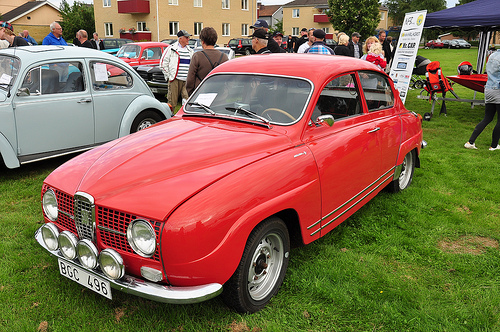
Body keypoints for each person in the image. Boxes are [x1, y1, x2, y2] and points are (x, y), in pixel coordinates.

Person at [464, 49, 500, 151]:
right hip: (497, 89)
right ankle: (494, 146)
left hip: (488, 89)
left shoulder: (492, 55)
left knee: (487, 118)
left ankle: (470, 142)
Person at [186, 27, 229, 95]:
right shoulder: (224, 57)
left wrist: (191, 94)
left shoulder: (197, 56)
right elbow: (227, 78)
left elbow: (190, 80)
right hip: (219, 94)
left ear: (202, 41)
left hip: (201, 94)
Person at [160, 30, 194, 109]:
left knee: (187, 101)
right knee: (172, 102)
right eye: (186, 37)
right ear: (180, 38)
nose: (188, 39)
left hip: (186, 81)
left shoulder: (190, 51)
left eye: (188, 37)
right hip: (175, 80)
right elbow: (163, 64)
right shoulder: (171, 49)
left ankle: (185, 118)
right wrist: (169, 76)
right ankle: (170, 117)